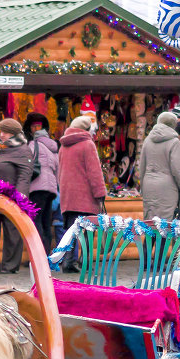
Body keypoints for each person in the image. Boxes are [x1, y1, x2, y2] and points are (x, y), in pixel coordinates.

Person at [0, 118, 33, 274]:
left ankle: (10, 265)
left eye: (5, 132)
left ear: (14, 134)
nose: (1, 134)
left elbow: (24, 176)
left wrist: (19, 198)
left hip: (10, 198)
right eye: (1, 131)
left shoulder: (23, 150)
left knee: (12, 232)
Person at [57, 115, 106, 272]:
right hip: (85, 196)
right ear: (86, 129)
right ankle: (83, 262)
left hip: (69, 197)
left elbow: (60, 173)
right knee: (87, 231)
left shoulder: (63, 146)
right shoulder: (87, 144)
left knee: (71, 230)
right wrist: (100, 193)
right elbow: (94, 172)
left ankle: (68, 261)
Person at [136, 111, 180, 221]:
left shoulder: (148, 140)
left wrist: (143, 187)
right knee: (165, 225)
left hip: (148, 184)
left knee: (150, 223)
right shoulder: (174, 141)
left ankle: (150, 239)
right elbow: (177, 169)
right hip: (167, 187)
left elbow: (142, 166)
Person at [25, 112, 59, 254]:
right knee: (46, 221)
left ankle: (38, 256)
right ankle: (45, 254)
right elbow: (58, 168)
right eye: (34, 126)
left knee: (36, 220)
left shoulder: (32, 145)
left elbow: (27, 165)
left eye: (37, 126)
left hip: (37, 187)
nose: (35, 129)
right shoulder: (53, 147)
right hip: (50, 189)